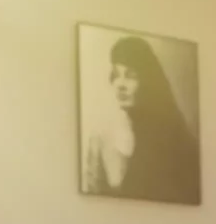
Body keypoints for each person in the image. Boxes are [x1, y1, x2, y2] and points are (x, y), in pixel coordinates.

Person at [84, 35, 200, 205]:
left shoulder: (174, 136)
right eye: (116, 75)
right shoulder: (101, 136)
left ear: (148, 81)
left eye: (130, 76)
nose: (120, 84)